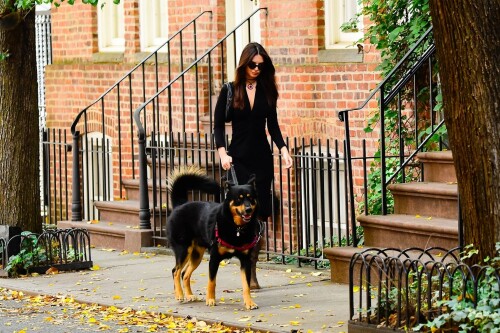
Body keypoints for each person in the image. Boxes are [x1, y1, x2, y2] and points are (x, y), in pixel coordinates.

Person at [214, 42, 293, 289]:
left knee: (257, 215)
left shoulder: (268, 91)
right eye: (253, 65)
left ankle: (252, 270)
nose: (257, 69)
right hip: (238, 159)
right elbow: (217, 125)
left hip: (262, 160)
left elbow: (274, 125)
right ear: (244, 64)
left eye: (261, 65)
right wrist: (222, 154)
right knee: (242, 213)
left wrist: (283, 149)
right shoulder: (230, 90)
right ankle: (243, 264)